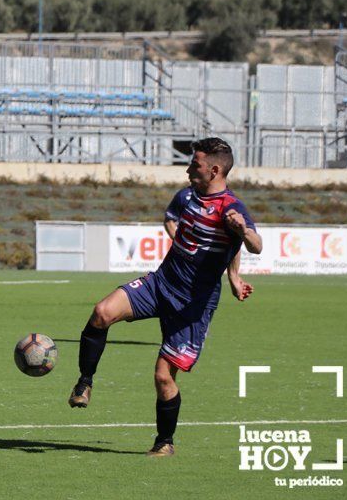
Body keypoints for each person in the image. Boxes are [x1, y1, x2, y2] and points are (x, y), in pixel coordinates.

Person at [68, 137, 263, 457]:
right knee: (102, 312)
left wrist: (243, 235)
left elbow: (253, 244)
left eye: (195, 164)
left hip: (193, 304)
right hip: (162, 283)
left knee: (163, 377)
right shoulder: (186, 196)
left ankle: (164, 442)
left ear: (214, 170)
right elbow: (181, 224)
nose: (188, 170)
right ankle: (84, 382)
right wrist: (226, 269)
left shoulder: (232, 208)